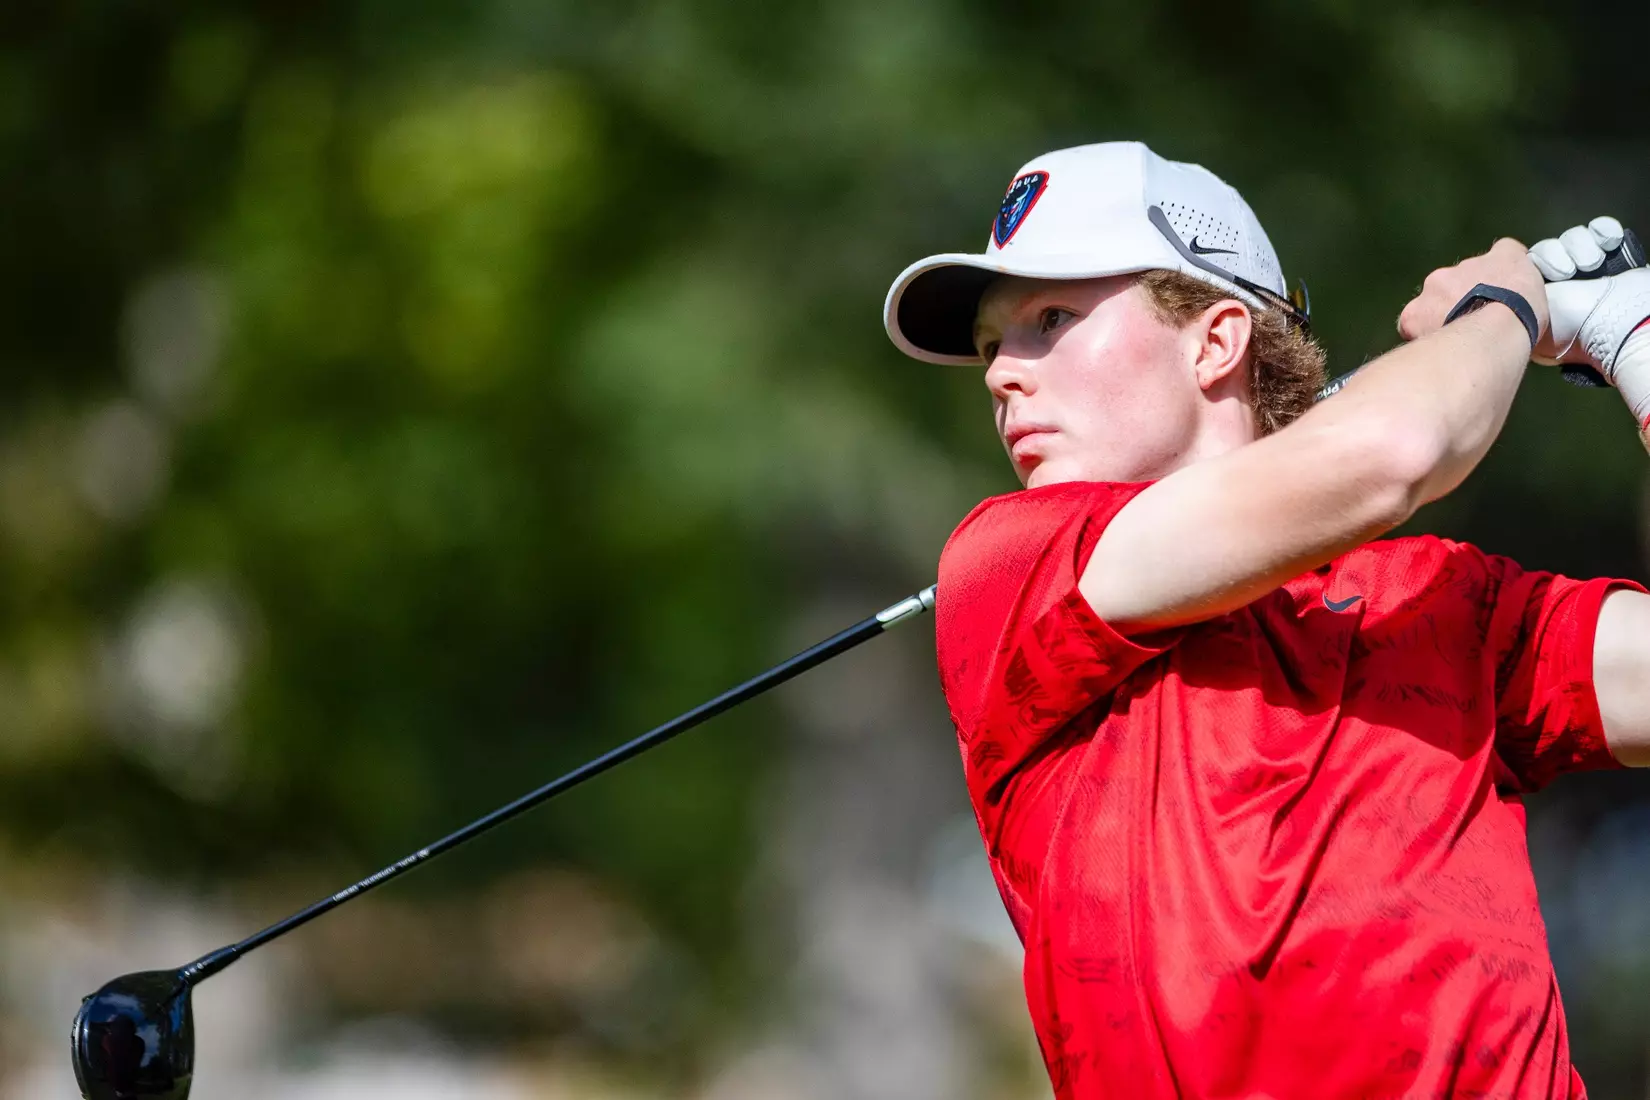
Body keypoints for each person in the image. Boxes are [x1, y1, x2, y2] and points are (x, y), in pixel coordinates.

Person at [883, 141, 1650, 1098]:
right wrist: (1506, 305)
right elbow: (1395, 450)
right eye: (997, 346)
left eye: (1051, 319)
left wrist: (1635, 342)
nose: (1003, 376)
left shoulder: (1438, 598)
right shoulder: (1012, 568)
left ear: (1215, 341)